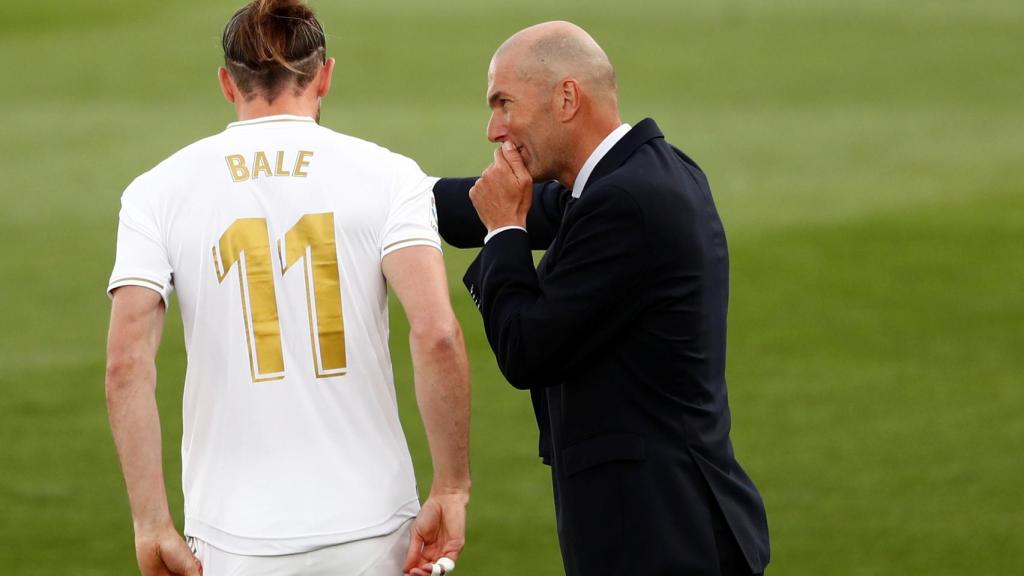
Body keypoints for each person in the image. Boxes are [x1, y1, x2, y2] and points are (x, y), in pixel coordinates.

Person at [104, 1, 469, 575]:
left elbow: (126, 365)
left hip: (232, 534)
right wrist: (451, 487)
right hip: (372, 524)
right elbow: (437, 334)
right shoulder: (389, 175)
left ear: (228, 83)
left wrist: (152, 523)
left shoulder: (156, 191)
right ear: (324, 74)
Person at [432, 21, 769, 575]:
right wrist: (387, 192)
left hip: (658, 537)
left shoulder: (626, 203)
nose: (494, 129)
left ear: (566, 97)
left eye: (504, 104)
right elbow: (495, 202)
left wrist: (504, 234)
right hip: (672, 523)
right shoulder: (636, 176)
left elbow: (526, 346)